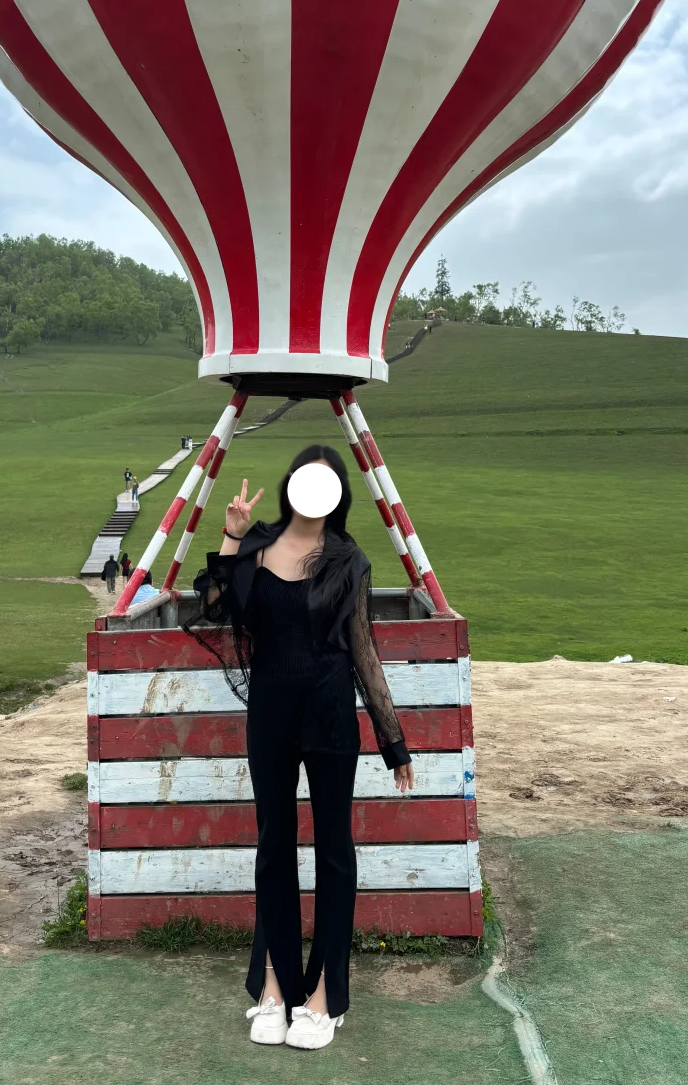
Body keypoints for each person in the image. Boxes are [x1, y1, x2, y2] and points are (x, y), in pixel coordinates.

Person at [188, 446, 413, 1051]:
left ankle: (324, 997)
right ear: (291, 486)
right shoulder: (257, 546)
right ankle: (274, 986)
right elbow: (216, 609)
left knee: (335, 851)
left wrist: (393, 742)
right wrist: (233, 537)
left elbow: (363, 649)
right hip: (271, 714)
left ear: (338, 495)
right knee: (274, 847)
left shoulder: (348, 560)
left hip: (331, 714)